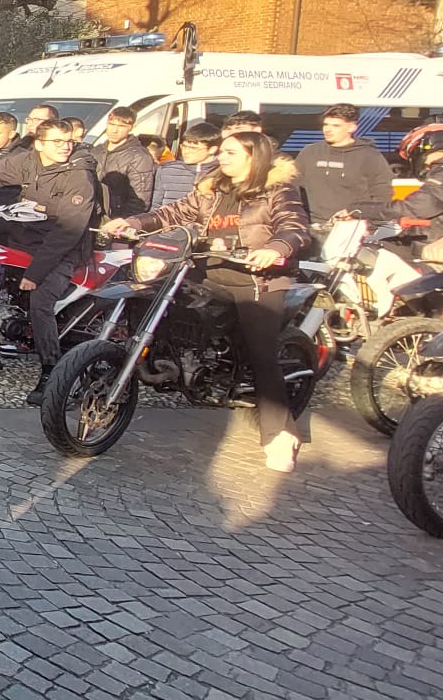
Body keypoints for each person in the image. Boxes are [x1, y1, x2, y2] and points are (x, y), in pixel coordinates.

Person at [106, 131, 312, 472]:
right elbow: (174, 213)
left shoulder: (278, 190)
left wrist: (275, 249)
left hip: (257, 278)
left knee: (261, 354)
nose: (223, 157)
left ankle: (279, 434)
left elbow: (295, 227)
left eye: (231, 152)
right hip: (208, 272)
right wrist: (132, 222)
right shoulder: (212, 187)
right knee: (161, 301)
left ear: (253, 156)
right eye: (222, 152)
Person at [0, 120, 99, 394]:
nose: (65, 147)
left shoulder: (80, 176)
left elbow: (66, 234)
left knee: (41, 301)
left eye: (67, 141)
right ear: (39, 144)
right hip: (23, 239)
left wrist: (34, 274)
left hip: (62, 250)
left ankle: (51, 371)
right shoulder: (28, 161)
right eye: (57, 141)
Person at [289, 103, 395, 226]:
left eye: (336, 126)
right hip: (312, 226)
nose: (328, 129)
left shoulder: (370, 156)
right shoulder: (309, 152)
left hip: (352, 227)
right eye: (326, 124)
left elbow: (381, 196)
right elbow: (293, 188)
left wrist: (368, 223)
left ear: (352, 127)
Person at [95, 106, 156, 218]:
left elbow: (140, 200)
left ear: (132, 127)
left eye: (121, 126)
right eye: (111, 124)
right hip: (91, 216)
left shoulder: (139, 156)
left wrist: (122, 224)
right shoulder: (96, 151)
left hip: (117, 220)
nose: (114, 130)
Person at [151, 121, 220, 208]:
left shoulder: (222, 172)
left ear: (212, 149)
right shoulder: (167, 170)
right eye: (184, 146)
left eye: (193, 148)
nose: (186, 151)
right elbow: (155, 205)